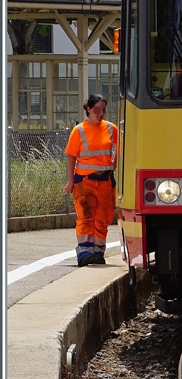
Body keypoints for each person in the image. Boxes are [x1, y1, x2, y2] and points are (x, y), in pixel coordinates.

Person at [64, 94, 119, 267]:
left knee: (103, 218)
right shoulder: (79, 131)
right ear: (88, 109)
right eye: (97, 110)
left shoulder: (111, 129)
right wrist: (70, 181)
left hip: (105, 181)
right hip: (84, 182)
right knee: (86, 217)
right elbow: (71, 157)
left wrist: (114, 164)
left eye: (103, 110)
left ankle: (98, 252)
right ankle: (84, 252)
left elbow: (121, 149)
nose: (101, 113)